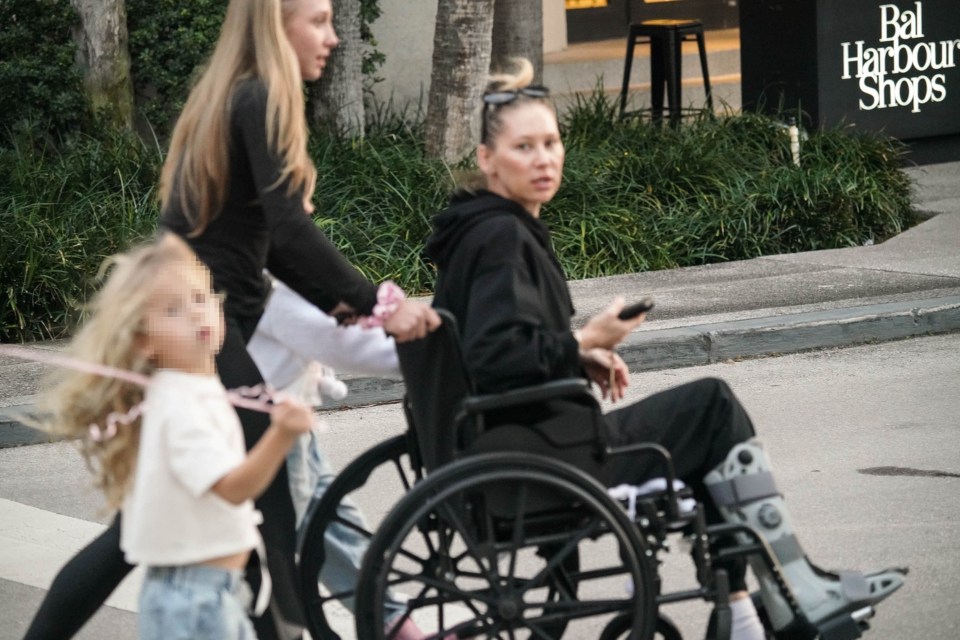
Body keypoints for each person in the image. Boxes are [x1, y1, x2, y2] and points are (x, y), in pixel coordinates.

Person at [422, 58, 906, 639]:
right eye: (524, 147)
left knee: (703, 431)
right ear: (486, 160)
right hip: (544, 458)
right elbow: (495, 354)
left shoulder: (482, 228)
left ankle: (752, 611)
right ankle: (786, 593)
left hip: (512, 444)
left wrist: (576, 354)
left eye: (551, 141)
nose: (544, 158)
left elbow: (500, 345)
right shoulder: (501, 237)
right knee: (712, 407)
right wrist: (582, 340)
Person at [23, 1, 440, 638]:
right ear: (277, 24)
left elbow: (270, 244)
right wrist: (381, 304)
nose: (330, 38)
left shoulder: (238, 94)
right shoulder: (263, 95)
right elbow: (289, 230)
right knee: (266, 499)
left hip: (201, 318)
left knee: (166, 521)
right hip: (199, 323)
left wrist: (351, 307)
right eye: (319, 20)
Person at [36, 235, 314, 639]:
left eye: (202, 299)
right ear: (144, 341)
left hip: (214, 593)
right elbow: (232, 489)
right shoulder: (183, 408)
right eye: (173, 310)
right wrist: (281, 437)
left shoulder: (197, 389)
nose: (197, 315)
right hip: (193, 602)